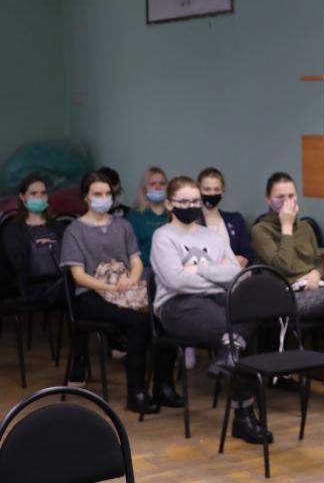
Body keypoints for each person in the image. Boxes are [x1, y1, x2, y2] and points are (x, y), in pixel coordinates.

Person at [151, 176, 269, 444]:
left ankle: (230, 352)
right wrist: (216, 273)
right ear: (169, 204)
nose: (191, 206)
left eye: (195, 201)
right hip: (178, 306)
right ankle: (244, 416)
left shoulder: (212, 236)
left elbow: (235, 274)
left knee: (252, 310)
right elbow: (176, 281)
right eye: (184, 201)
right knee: (238, 333)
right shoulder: (163, 237)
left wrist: (198, 269)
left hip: (217, 299)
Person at [60, 171, 180, 414]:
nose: (104, 198)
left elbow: (135, 261)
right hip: (90, 294)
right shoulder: (75, 230)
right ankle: (136, 393)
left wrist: (132, 280)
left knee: (164, 313)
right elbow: (78, 276)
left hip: (125, 287)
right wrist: (111, 288)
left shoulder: (123, 225)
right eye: (97, 194)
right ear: (86, 197)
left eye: (107, 193)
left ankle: (163, 386)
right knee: (138, 322)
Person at [250, 172, 324, 406]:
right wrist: (286, 227)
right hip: (282, 300)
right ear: (268, 199)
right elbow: (281, 267)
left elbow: (316, 261)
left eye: (291, 196)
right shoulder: (261, 230)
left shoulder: (305, 228)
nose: (287, 202)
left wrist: (316, 273)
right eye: (280, 197)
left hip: (312, 294)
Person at [2, 174, 65, 305]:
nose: (39, 197)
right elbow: (17, 264)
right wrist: (46, 249)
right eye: (33, 193)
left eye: (43, 193)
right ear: (22, 197)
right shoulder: (13, 230)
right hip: (31, 288)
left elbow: (71, 255)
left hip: (62, 284)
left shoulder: (58, 226)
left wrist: (53, 246)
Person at [197, 167, 254, 267]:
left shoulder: (236, 219)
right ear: (198, 190)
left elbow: (248, 254)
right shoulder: (191, 221)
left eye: (217, 189)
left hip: (235, 275)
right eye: (207, 189)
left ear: (223, 191)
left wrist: (243, 260)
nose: (212, 193)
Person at [126, 166, 169, 274]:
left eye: (162, 183)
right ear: (144, 188)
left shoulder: (173, 213)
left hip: (171, 268)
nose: (158, 187)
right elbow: (130, 250)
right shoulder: (135, 216)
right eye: (152, 184)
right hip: (144, 270)